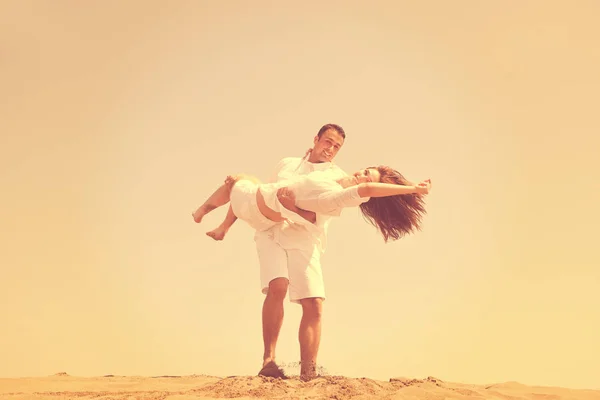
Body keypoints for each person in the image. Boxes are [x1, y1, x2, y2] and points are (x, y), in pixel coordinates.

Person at [192, 125, 431, 381]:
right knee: (278, 287)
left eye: (336, 147)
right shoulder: (288, 164)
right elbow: (259, 199)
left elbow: (321, 213)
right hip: (271, 230)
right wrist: (232, 218)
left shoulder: (338, 180)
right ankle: (268, 361)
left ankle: (309, 372)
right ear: (315, 140)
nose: (330, 149)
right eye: (327, 142)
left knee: (314, 303)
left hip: (305, 237)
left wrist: (413, 189)